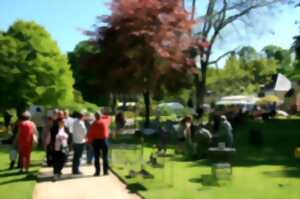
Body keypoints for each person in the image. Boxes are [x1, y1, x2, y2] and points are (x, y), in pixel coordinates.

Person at [87, 110, 111, 176]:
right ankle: (105, 172)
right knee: (105, 157)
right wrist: (102, 116)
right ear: (100, 116)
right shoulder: (105, 122)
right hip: (104, 140)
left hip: (96, 141)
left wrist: (89, 142)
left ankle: (97, 172)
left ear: (95, 117)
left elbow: (90, 134)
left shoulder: (93, 124)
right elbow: (109, 117)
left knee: (96, 157)